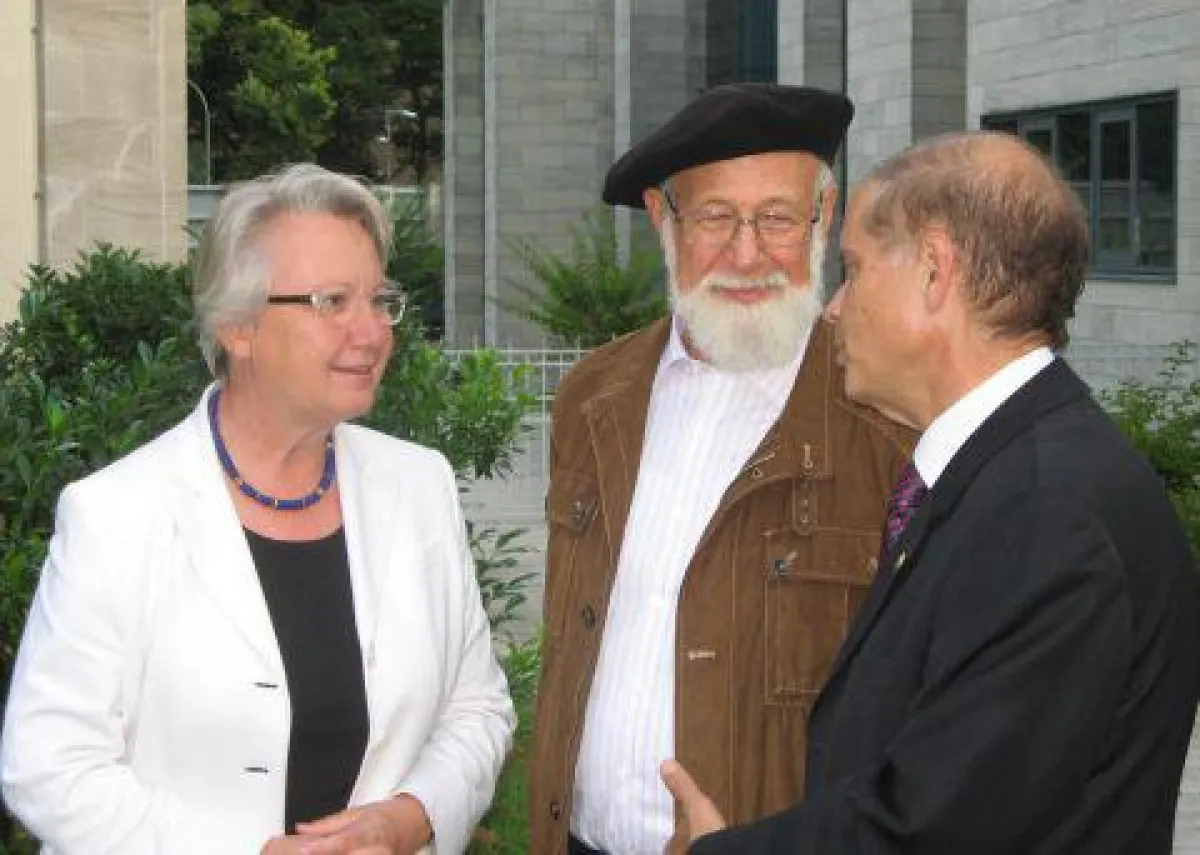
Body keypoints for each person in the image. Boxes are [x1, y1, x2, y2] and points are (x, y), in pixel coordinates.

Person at [663, 130, 1200, 853]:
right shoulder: (1008, 472)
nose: (833, 307)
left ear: (934, 271)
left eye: (851, 269)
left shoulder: (1046, 511)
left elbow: (935, 823)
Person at [0, 164, 515, 854]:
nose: (372, 331)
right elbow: (48, 765)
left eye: (380, 298)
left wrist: (411, 815)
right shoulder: (118, 515)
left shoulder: (419, 485)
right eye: (333, 300)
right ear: (236, 327)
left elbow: (476, 707)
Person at [528, 82, 915, 855]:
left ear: (825, 216)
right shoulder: (592, 398)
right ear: (660, 218)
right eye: (713, 217)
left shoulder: (890, 421)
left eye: (777, 216)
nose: (747, 253)